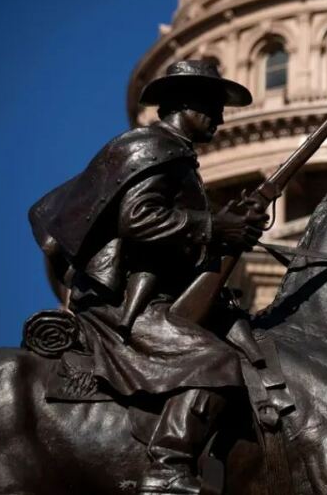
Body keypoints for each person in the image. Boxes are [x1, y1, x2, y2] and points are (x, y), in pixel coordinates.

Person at [28, 60, 267, 494]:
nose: (221, 117)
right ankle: (167, 467)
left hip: (156, 294)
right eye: (213, 106)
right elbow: (137, 219)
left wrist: (227, 229)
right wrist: (215, 226)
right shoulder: (156, 149)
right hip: (124, 303)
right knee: (214, 361)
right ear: (187, 104)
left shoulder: (174, 157)